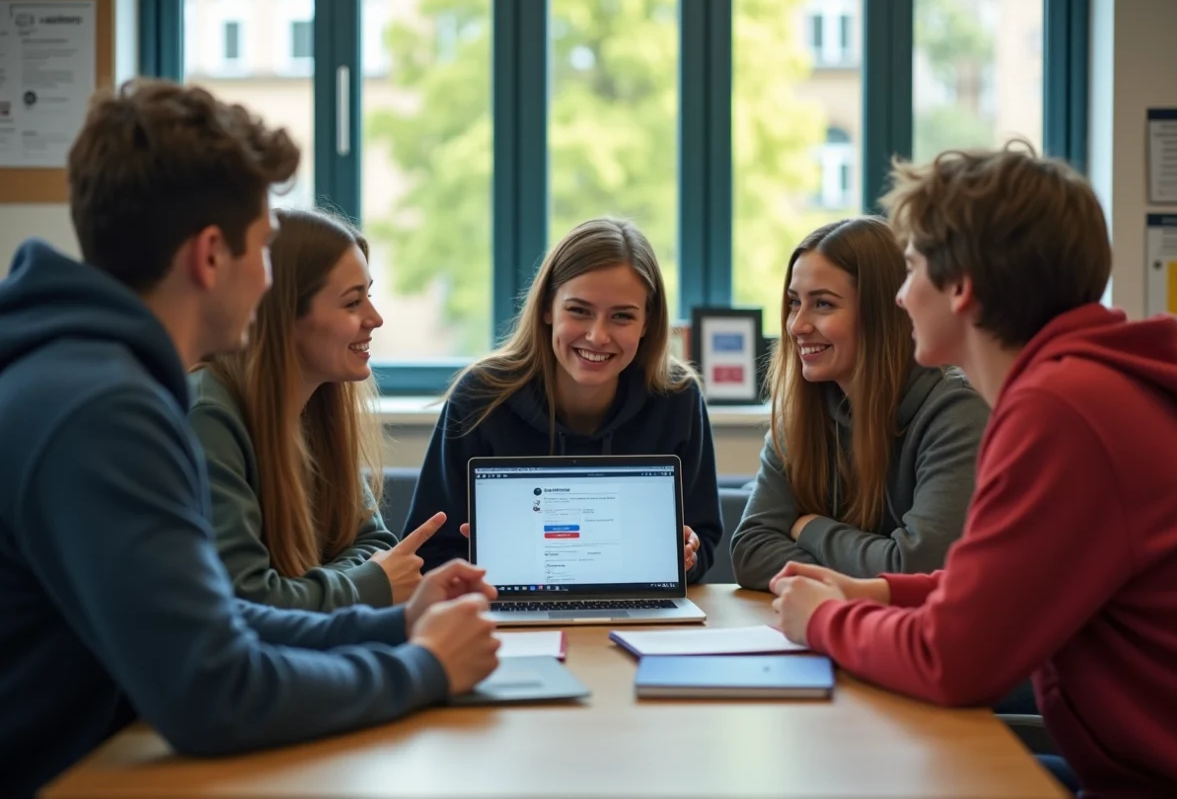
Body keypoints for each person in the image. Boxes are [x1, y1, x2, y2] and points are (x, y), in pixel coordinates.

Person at [0, 79, 499, 799]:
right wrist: (425, 667)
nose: (270, 280)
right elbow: (213, 691)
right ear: (210, 255)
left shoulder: (88, 374)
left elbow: (218, 619)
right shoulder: (102, 409)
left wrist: (394, 625)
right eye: (265, 249)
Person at [770, 142, 1177, 797]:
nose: (901, 295)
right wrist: (878, 592)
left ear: (962, 285)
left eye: (911, 268)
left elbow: (953, 659)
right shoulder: (1086, 384)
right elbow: (1005, 586)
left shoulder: (1063, 409)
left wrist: (824, 618)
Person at [403, 217, 722, 581]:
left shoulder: (677, 397)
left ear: (647, 322)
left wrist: (687, 557)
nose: (598, 336)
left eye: (622, 316)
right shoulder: (480, 397)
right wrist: (486, 562)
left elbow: (704, 538)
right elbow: (426, 552)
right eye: (579, 310)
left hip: (640, 617)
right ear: (546, 308)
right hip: (502, 612)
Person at [190, 207, 444, 611]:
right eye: (352, 303)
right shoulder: (208, 417)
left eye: (369, 296)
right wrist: (366, 585)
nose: (375, 318)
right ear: (283, 316)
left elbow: (374, 543)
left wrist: (318, 589)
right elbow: (247, 600)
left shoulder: (317, 406)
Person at [730, 216, 989, 590]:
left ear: (883, 313)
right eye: (793, 303)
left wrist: (809, 527)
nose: (797, 325)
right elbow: (750, 552)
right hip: (825, 631)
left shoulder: (957, 413)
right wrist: (862, 567)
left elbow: (915, 567)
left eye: (822, 304)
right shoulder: (802, 415)